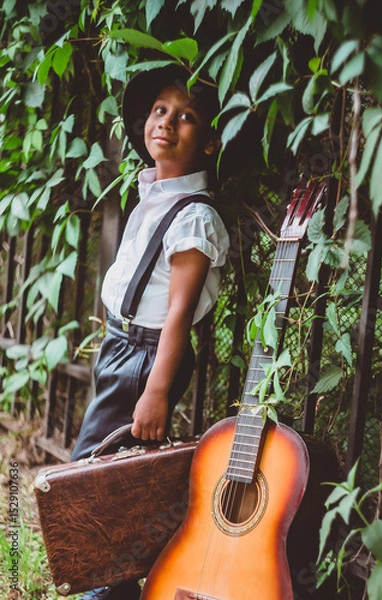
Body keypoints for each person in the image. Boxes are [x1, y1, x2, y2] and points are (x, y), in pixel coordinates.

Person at [71, 64, 230, 600]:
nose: (167, 123)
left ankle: (100, 590)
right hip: (125, 347)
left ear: (207, 143)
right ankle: (109, 588)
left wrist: (157, 391)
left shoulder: (193, 217)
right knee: (105, 478)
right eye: (161, 111)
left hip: (146, 358)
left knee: (94, 483)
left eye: (186, 118)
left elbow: (178, 318)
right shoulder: (156, 194)